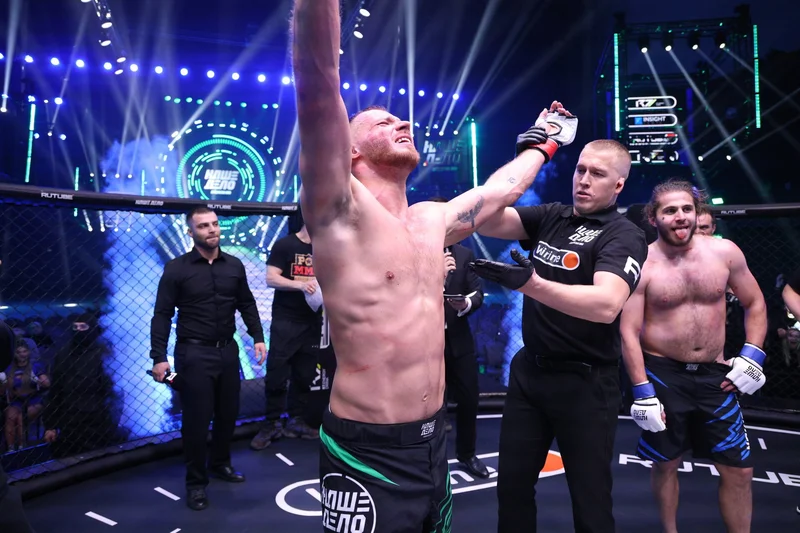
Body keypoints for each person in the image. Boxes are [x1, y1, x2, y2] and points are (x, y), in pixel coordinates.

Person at [291, 1, 576, 530]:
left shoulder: (431, 219)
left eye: (399, 118)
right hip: (367, 446)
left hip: (431, 439)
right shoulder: (339, 207)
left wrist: (547, 142)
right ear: (348, 151)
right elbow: (317, 80)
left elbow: (501, 190)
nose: (403, 122)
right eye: (383, 122)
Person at [471, 138, 648, 533]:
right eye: (580, 170)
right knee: (512, 489)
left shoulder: (623, 234)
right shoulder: (553, 215)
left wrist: (530, 284)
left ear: (618, 185)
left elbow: (606, 305)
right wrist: (530, 156)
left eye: (597, 174)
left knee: (590, 500)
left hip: (585, 382)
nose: (583, 180)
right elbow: (482, 216)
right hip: (530, 374)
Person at [619, 179, 767, 533]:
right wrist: (642, 390)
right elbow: (628, 331)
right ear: (653, 218)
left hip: (716, 375)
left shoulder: (724, 252)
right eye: (670, 210)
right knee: (666, 463)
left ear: (697, 212)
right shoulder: (642, 263)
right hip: (663, 375)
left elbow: (755, 303)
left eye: (687, 209)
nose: (681, 217)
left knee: (739, 469)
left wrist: (752, 356)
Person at [149, 207, 266, 511]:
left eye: (214, 224)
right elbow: (162, 314)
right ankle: (196, 483)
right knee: (197, 421)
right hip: (194, 353)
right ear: (191, 232)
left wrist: (258, 336)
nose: (212, 229)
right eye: (203, 226)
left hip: (227, 351)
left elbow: (246, 303)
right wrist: (159, 357)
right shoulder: (176, 268)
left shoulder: (234, 265)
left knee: (228, 414)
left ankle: (220, 464)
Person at [250, 223, 322, 450]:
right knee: (277, 374)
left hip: (312, 321)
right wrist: (300, 285)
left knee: (305, 374)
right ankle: (271, 423)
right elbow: (271, 278)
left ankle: (296, 420)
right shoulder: (286, 245)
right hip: (286, 320)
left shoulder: (325, 247)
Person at [431, 196, 488, 478]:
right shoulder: (413, 253)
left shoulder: (464, 255)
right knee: (430, 405)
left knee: (469, 399)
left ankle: (467, 454)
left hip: (458, 340)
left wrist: (465, 303)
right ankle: (429, 461)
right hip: (425, 343)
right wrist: (438, 278)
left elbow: (478, 293)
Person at [0, 320, 36, 533]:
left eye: (24, 352)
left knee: (23, 414)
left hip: (31, 399)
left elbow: (40, 386)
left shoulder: (34, 366)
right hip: (15, 401)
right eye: (19, 352)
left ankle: (20, 446)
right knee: (12, 414)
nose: (22, 355)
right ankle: (14, 447)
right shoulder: (9, 369)